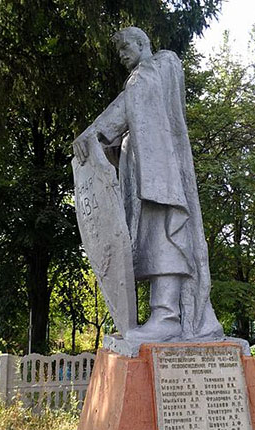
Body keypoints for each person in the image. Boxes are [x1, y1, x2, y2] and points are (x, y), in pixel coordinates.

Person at [73, 27, 223, 344]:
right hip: (141, 174)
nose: (123, 56)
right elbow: (131, 106)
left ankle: (167, 316)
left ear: (143, 43)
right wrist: (98, 138)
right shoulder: (140, 76)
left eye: (126, 48)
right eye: (120, 52)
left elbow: (136, 100)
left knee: (164, 235)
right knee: (149, 238)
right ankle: (165, 314)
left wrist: (95, 132)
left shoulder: (163, 64)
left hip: (161, 171)